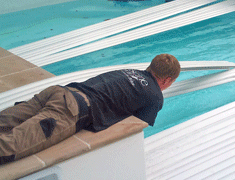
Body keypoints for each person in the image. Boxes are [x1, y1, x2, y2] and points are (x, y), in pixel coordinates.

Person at [0, 54, 180, 165]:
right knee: (9, 148)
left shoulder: (129, 70)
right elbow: (137, 126)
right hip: (71, 110)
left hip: (59, 91)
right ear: (167, 80)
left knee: (4, 121)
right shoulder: (155, 96)